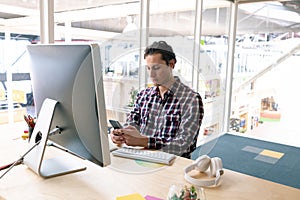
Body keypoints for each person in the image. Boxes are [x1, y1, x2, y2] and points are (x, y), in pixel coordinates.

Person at [110, 41, 204, 158]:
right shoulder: (143, 95)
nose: (151, 74)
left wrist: (144, 141)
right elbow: (132, 124)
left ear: (171, 64)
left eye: (156, 68)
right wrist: (121, 135)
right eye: (149, 68)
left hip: (173, 164)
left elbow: (185, 144)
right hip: (141, 159)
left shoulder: (191, 99)